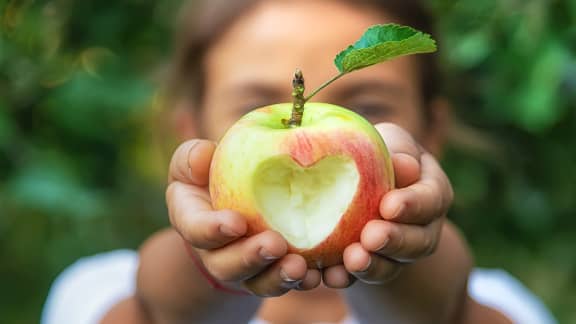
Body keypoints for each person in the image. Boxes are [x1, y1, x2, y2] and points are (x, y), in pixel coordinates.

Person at [42, 0, 557, 323]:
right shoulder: (96, 289)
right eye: (252, 106)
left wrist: (404, 263)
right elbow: (161, 311)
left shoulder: (500, 302)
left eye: (370, 107)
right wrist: (210, 259)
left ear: (432, 133)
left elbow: (445, 311)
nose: (312, 136)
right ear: (192, 135)